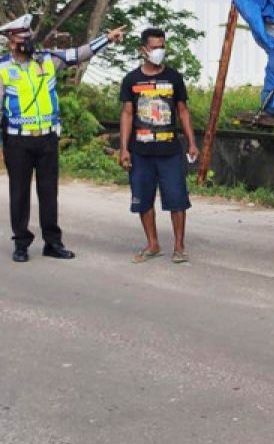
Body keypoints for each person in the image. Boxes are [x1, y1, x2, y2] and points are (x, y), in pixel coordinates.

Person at [0, 14, 125, 262]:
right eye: (21, 37)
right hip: (17, 141)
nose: (27, 41)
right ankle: (21, 244)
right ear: (11, 41)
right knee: (19, 194)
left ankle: (52, 243)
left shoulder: (48, 60)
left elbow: (79, 54)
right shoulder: (3, 68)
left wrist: (106, 40)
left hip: (47, 139)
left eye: (28, 36)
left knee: (49, 193)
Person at [119, 28, 198, 264]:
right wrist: (124, 148)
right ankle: (153, 244)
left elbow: (182, 111)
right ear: (143, 50)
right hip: (140, 152)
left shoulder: (173, 77)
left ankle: (179, 247)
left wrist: (192, 142)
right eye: (154, 47)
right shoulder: (132, 80)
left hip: (170, 151)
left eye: (162, 46)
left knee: (177, 199)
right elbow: (127, 114)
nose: (159, 51)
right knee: (143, 199)